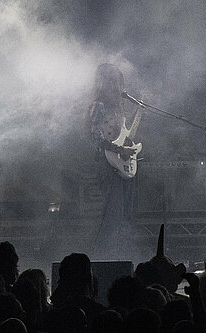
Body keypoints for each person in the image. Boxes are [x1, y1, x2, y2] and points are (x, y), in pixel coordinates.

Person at [87, 63, 139, 256]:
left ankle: (122, 256)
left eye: (119, 82)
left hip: (120, 162)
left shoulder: (118, 108)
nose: (117, 87)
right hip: (107, 163)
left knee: (125, 215)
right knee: (112, 214)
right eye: (112, 81)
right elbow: (96, 136)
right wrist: (120, 149)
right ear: (103, 83)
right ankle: (103, 258)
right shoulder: (98, 106)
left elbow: (122, 134)